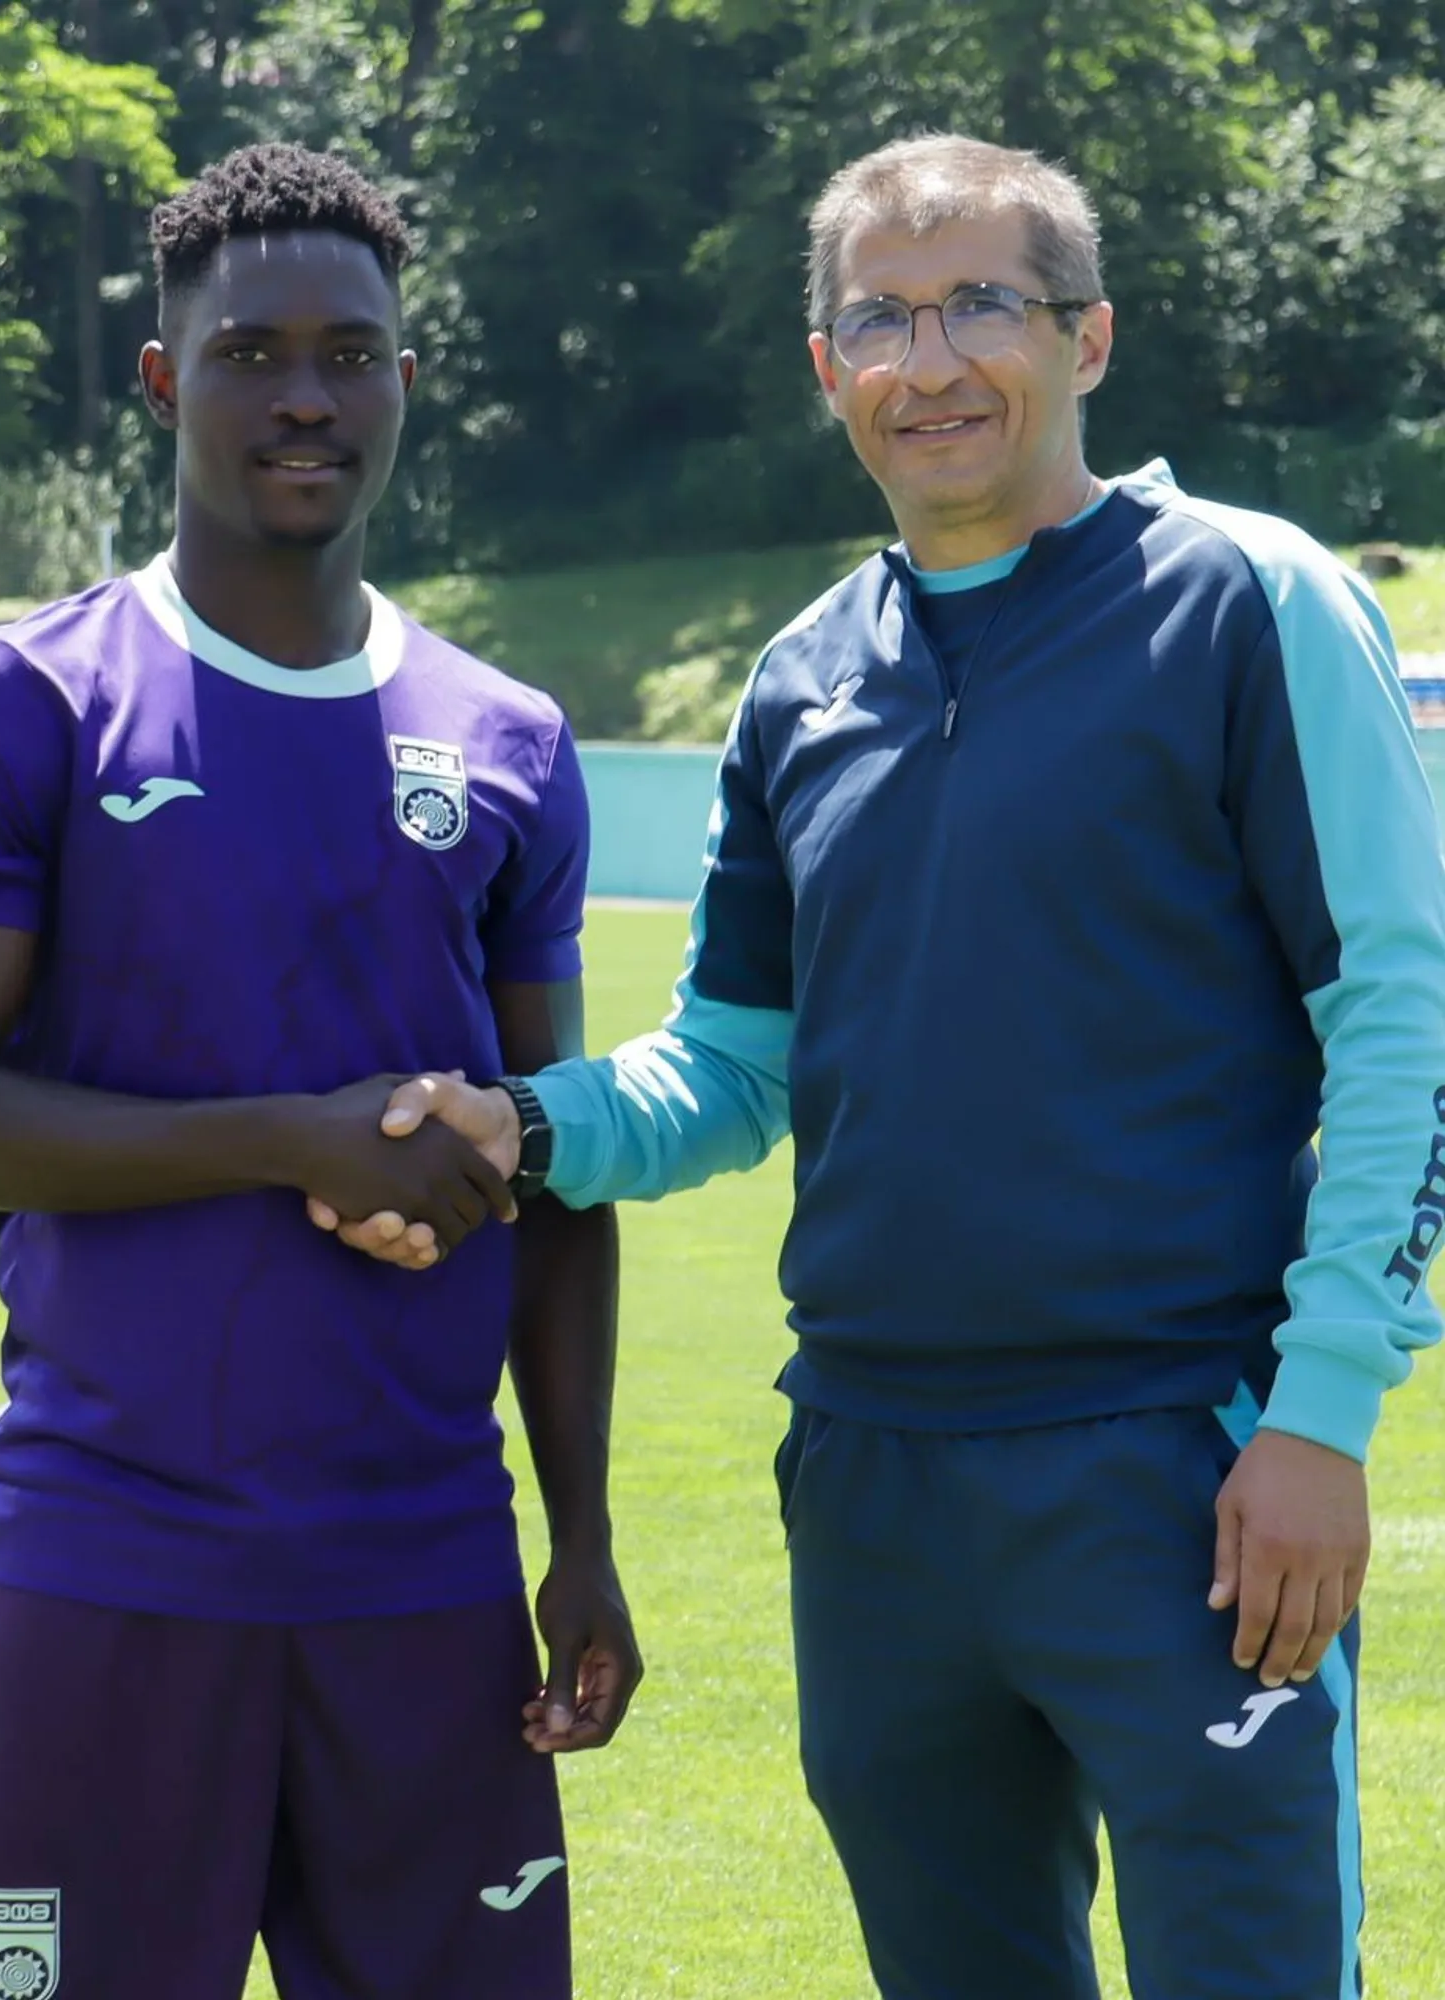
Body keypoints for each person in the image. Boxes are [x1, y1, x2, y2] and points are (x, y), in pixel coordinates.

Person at [320, 134, 1445, 2000]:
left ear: (1089, 337)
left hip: (1188, 1464)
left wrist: (1322, 1417)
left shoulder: (1249, 601)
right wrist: (517, 1129)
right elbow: (731, 1066)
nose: (930, 364)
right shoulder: (799, 677)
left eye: (982, 305)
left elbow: (1402, 1017)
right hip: (874, 1487)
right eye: (881, 320)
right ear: (825, 366)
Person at [0, 142, 639, 2000]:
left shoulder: (509, 740)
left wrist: (584, 1534)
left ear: (405, 385)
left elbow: (554, 1164)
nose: (305, 397)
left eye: (349, 356)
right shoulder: (27, 701)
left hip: (427, 1580)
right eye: (250, 353)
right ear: (161, 380)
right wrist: (290, 1142)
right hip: (107, 1563)